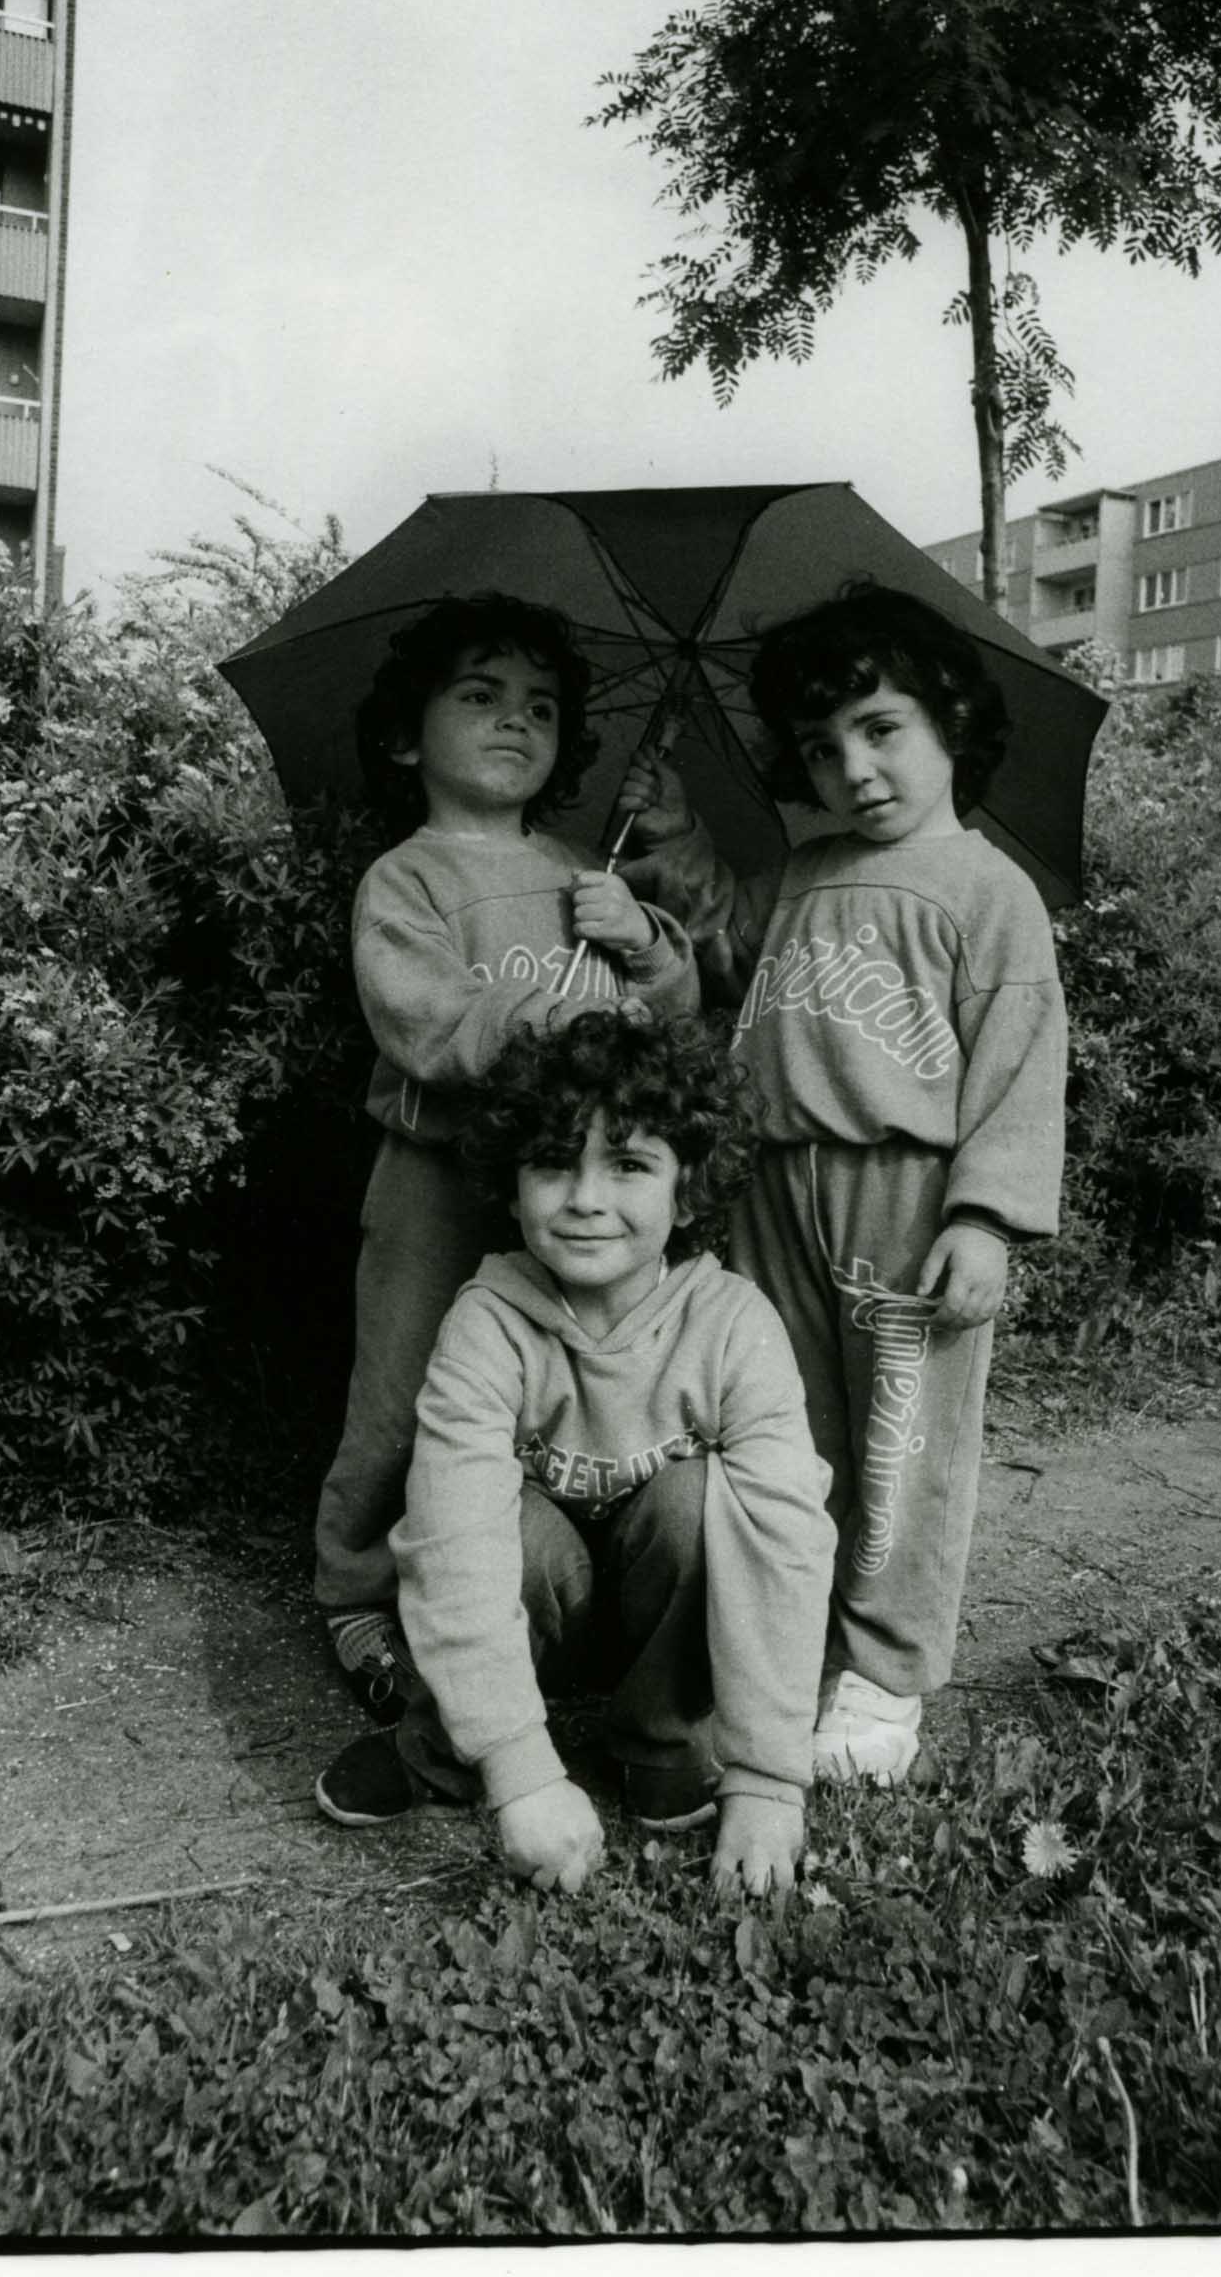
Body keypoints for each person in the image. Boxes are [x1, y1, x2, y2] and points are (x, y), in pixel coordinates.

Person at [618, 581, 1067, 1788]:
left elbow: (1022, 1069)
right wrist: (664, 834)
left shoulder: (989, 889)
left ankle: (885, 1669)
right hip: (774, 1188)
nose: (855, 767)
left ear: (950, 721)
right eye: (822, 747)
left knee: (902, 1446)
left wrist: (985, 1219)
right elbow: (713, 945)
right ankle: (786, 1635)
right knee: (783, 1427)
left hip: (907, 1198)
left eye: (882, 729)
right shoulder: (803, 871)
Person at [315, 1010, 837, 1898]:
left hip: (657, 1626)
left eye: (628, 1164)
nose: (585, 1197)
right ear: (513, 1186)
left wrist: (768, 1776)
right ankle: (443, 1742)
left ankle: (664, 1739)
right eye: (554, 1163)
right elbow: (452, 1537)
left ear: (686, 1189)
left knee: (699, 1501)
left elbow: (783, 1541)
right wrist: (517, 1766)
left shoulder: (732, 1324)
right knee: (499, 1521)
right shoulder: (487, 1321)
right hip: (531, 1613)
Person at [316, 594, 700, 1727]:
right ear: (405, 734)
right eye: (478, 696)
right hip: (440, 1186)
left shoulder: (588, 869)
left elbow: (669, 1020)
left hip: (573, 1200)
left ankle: (525, 1590)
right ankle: (358, 1595)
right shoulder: (408, 878)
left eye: (540, 706)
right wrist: (566, 1028)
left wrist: (645, 940)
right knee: (402, 1394)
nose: (513, 721)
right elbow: (424, 1017)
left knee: (558, 1389)